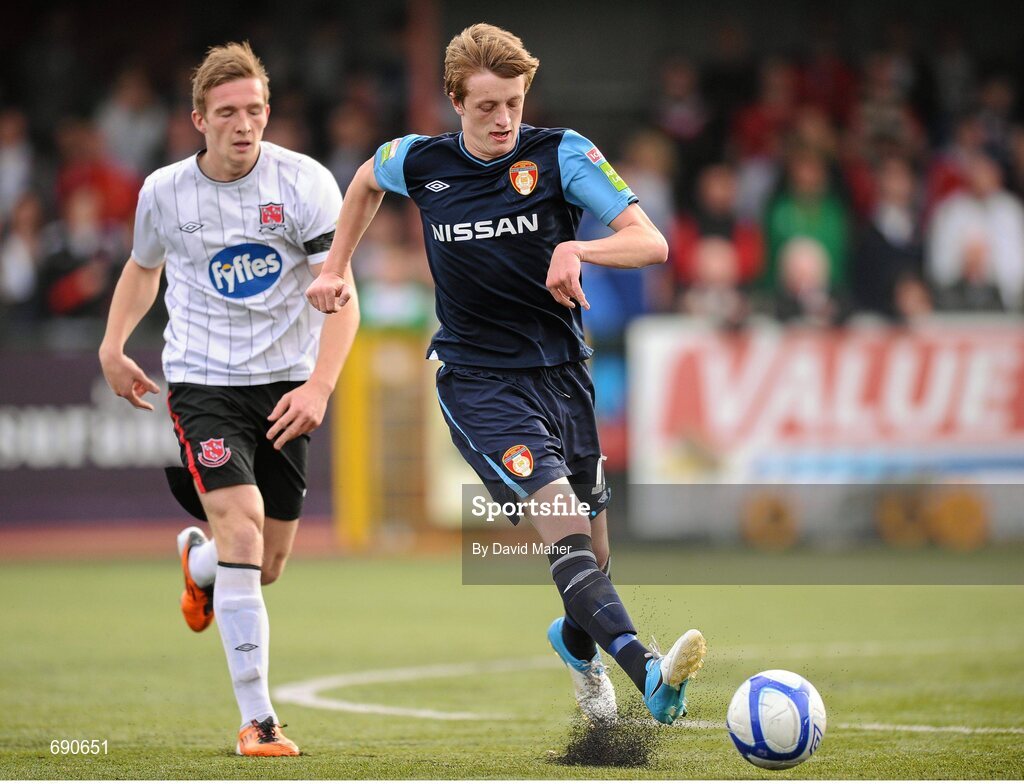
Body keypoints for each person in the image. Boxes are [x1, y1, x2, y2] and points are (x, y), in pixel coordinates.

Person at [306, 23, 705, 726]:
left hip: (564, 376)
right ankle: (647, 672)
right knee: (566, 529)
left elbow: (651, 243)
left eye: (514, 103)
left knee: (596, 555)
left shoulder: (562, 154)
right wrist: (336, 266)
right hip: (479, 383)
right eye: (487, 106)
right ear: (456, 101)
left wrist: (578, 249)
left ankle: (576, 647)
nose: (503, 119)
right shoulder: (420, 161)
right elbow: (365, 179)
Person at [98, 42, 358, 756]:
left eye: (255, 111)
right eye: (227, 113)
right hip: (203, 381)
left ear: (268, 112)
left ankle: (199, 566)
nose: (244, 125)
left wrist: (319, 386)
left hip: (286, 385)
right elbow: (143, 268)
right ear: (198, 120)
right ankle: (258, 720)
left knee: (266, 563)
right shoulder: (163, 192)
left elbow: (342, 295)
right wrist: (113, 345)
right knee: (242, 530)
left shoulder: (305, 182)